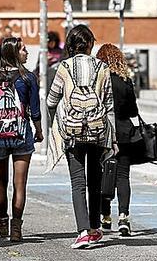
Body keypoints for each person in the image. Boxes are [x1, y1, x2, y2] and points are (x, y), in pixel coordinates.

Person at [47, 24, 115, 249]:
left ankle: (83, 231)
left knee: (78, 182)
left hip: (73, 133)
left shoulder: (64, 67)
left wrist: (57, 122)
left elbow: (51, 100)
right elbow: (109, 104)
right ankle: (95, 228)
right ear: (90, 44)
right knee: (95, 181)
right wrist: (112, 140)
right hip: (97, 131)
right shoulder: (103, 67)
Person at [0, 37, 43, 242]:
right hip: (21, 133)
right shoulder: (28, 78)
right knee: (19, 183)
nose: (27, 52)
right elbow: (34, 110)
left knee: (0, 181)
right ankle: (17, 227)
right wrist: (39, 132)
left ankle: (3, 221)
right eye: (23, 50)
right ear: (14, 53)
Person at [96, 44, 138, 236]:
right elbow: (133, 111)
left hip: (104, 133)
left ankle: (105, 216)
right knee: (122, 176)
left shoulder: (98, 80)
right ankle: (124, 217)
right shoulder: (124, 80)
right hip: (125, 133)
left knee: (104, 175)